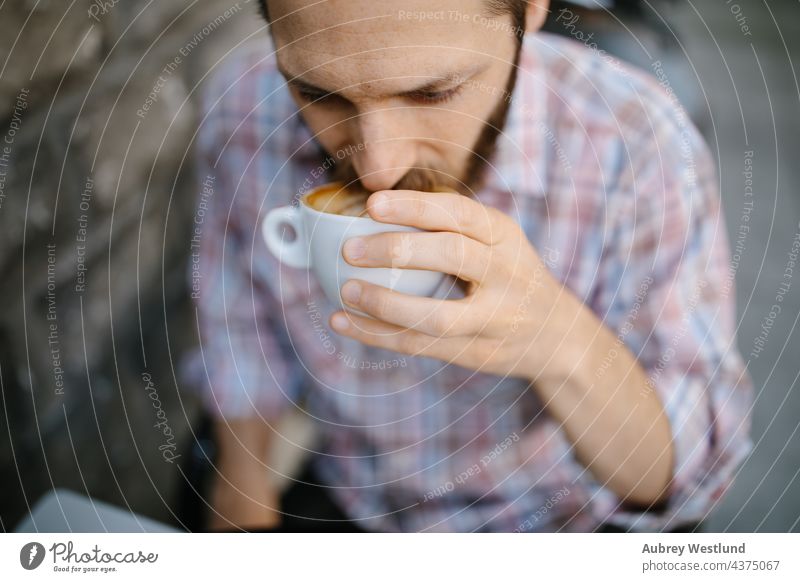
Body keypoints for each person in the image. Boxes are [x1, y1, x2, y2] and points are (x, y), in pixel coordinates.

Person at [190, 0, 752, 532]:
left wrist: (561, 342)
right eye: (319, 93)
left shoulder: (635, 139)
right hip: (359, 500)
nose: (380, 167)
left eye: (433, 93)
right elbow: (238, 322)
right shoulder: (245, 111)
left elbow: (683, 480)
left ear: (530, 10)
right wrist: (241, 493)